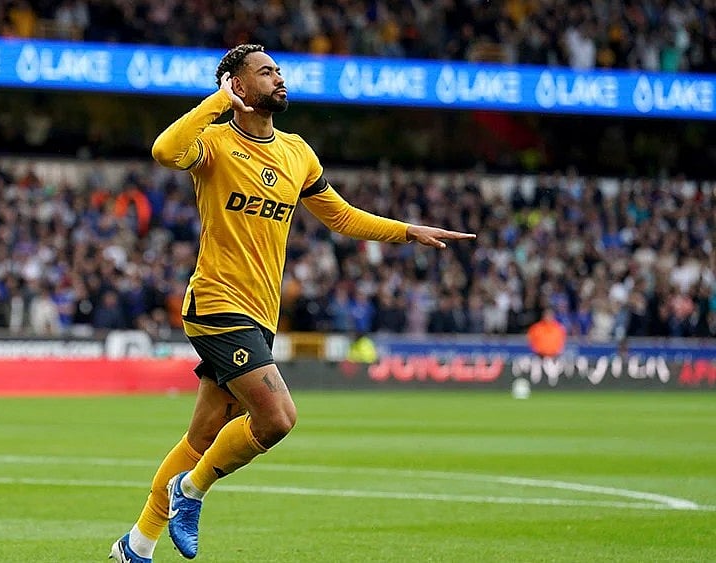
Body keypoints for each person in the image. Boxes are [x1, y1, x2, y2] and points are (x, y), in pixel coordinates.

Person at [108, 44, 475, 563]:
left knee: (203, 434)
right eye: (265, 72)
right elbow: (165, 152)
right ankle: (190, 492)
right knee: (278, 418)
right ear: (236, 84)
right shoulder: (212, 142)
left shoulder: (296, 152)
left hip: (260, 314)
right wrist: (218, 103)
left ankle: (136, 545)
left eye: (279, 70)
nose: (279, 78)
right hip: (217, 304)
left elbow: (341, 217)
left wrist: (407, 232)